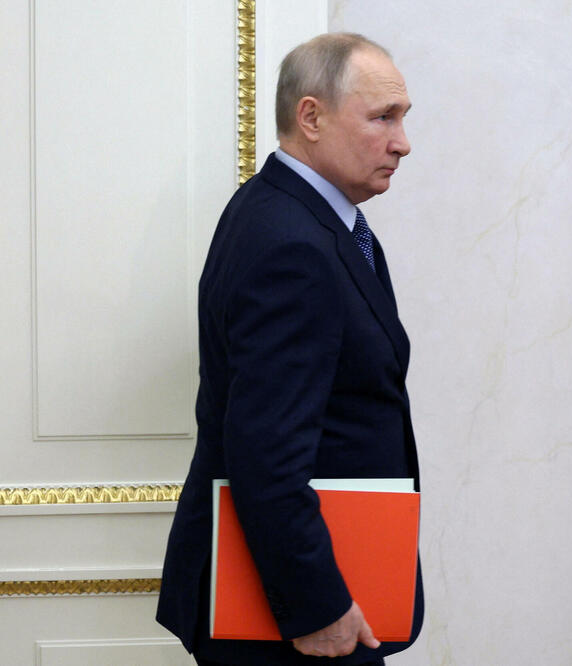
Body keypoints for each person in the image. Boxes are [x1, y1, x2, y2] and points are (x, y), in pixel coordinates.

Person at [156, 32, 421, 665]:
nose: (403, 142)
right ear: (311, 117)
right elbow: (266, 451)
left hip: (314, 588)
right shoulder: (293, 242)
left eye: (403, 118)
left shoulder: (294, 212)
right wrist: (317, 606)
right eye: (383, 117)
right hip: (296, 618)